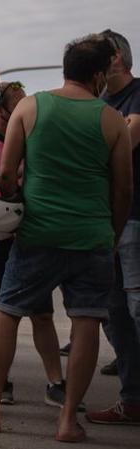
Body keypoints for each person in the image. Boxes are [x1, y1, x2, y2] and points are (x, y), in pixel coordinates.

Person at [0, 36, 133, 442]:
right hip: (92, 236)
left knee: (8, 311)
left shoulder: (31, 108)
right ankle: (69, 420)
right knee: (86, 321)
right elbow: (123, 189)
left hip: (38, 233)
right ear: (99, 75)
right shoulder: (110, 120)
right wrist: (113, 232)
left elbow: (6, 173)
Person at [0, 82, 68, 406]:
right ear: (0, 109)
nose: (27, 109)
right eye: (18, 103)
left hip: (26, 235)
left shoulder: (31, 137)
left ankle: (57, 383)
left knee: (41, 312)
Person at [88, 29, 140, 425]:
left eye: (100, 56)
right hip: (104, 220)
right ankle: (132, 399)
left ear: (118, 59)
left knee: (137, 307)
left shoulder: (137, 94)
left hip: (135, 219)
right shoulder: (99, 103)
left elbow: (126, 137)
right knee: (114, 313)